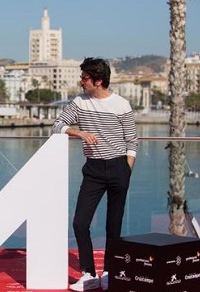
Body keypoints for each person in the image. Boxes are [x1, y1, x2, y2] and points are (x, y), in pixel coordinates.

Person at [52, 57, 138, 291]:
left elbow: (132, 141)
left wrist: (126, 169)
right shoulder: (80, 102)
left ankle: (110, 272)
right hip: (93, 170)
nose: (81, 82)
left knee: (114, 226)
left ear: (98, 81)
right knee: (80, 223)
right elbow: (57, 125)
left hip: (119, 167)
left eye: (85, 78)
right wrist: (79, 133)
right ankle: (89, 274)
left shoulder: (121, 104)